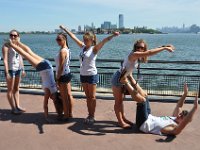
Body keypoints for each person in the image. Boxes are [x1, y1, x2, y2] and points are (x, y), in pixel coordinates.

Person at [60, 25, 119, 124]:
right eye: (84, 39)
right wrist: (65, 29)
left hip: (91, 75)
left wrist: (113, 35)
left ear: (92, 40)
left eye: (87, 40)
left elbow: (104, 41)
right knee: (87, 97)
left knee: (92, 97)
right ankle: (89, 114)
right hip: (83, 75)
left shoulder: (94, 49)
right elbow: (73, 37)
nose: (85, 41)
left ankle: (92, 116)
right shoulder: (83, 47)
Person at [111, 39, 175, 128]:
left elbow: (148, 52)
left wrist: (165, 46)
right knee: (118, 102)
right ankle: (120, 122)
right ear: (135, 47)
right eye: (138, 47)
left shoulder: (137, 57)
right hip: (118, 78)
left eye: (142, 48)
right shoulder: (134, 54)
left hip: (125, 77)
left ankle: (123, 118)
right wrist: (164, 48)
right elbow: (149, 52)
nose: (139, 49)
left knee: (121, 101)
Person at [5, 38, 57, 123]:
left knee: (30, 52)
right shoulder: (48, 91)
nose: (52, 99)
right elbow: (45, 106)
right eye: (53, 99)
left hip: (48, 65)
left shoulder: (56, 88)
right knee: (25, 54)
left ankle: (18, 42)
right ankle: (11, 44)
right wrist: (47, 118)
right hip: (43, 68)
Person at [121, 79, 198, 135]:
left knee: (142, 101)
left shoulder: (174, 128)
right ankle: (130, 77)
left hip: (143, 124)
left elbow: (183, 124)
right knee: (145, 95)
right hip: (148, 116)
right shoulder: (175, 118)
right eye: (180, 114)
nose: (179, 115)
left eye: (181, 117)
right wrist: (185, 94)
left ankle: (125, 81)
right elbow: (179, 106)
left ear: (184, 121)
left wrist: (194, 108)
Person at [2, 30, 26, 114]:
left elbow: (20, 58)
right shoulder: (6, 46)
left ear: (18, 36)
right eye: (11, 35)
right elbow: (5, 60)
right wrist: (7, 72)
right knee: (10, 90)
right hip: (10, 70)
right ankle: (13, 108)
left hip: (18, 69)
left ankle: (18, 106)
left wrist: (23, 69)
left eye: (15, 35)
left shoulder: (18, 46)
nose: (13, 37)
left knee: (16, 89)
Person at [54, 33, 74, 120]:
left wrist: (57, 78)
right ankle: (70, 113)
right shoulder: (67, 49)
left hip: (63, 75)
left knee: (64, 97)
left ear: (64, 39)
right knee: (69, 95)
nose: (57, 41)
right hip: (67, 73)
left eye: (59, 39)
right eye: (57, 39)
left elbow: (61, 67)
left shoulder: (62, 51)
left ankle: (66, 115)